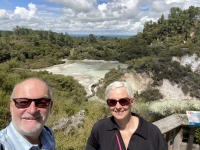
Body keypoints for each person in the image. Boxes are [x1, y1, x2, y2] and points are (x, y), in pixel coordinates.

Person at [86, 81, 168, 150]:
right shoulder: (100, 129)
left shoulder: (152, 133)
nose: (118, 107)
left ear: (132, 102)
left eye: (123, 101)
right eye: (112, 102)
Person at [0, 77, 56, 150]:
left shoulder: (48, 133)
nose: (32, 110)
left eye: (42, 102)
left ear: (50, 107)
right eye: (23, 102)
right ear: (11, 106)